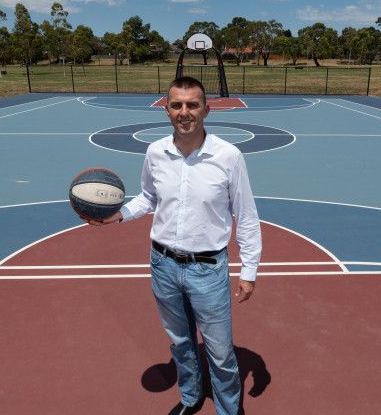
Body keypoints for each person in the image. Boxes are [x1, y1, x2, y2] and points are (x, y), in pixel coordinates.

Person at [87, 76, 261, 415]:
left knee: (220, 352)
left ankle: (228, 409)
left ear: (206, 110)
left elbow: (247, 216)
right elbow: (148, 197)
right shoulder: (155, 153)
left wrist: (249, 270)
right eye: (177, 105)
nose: (185, 112)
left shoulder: (229, 156)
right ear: (166, 110)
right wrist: (119, 215)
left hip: (207, 269)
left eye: (192, 105)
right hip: (162, 264)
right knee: (181, 342)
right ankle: (190, 397)